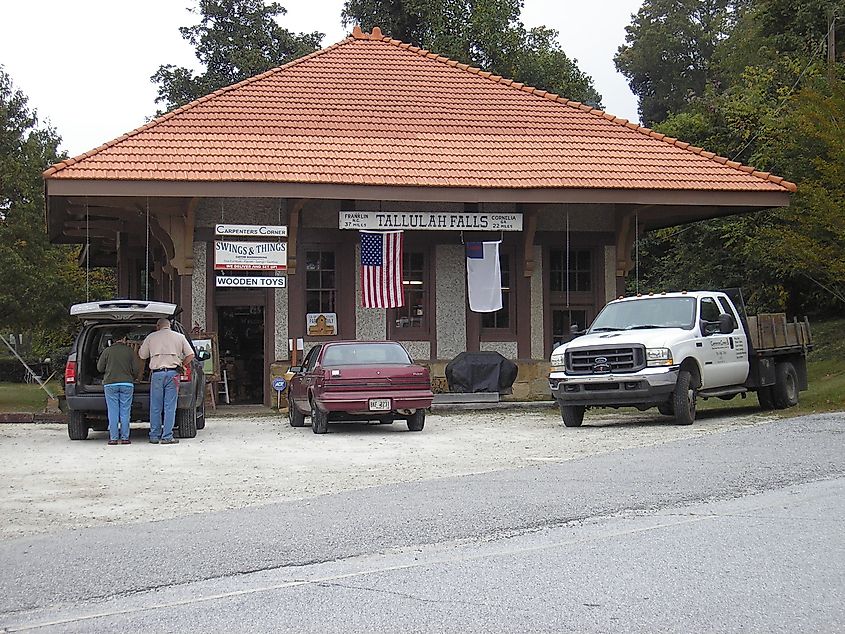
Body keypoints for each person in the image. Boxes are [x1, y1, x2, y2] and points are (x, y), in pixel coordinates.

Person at [139, 318, 195, 445]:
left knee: (155, 407)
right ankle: (167, 436)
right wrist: (181, 364)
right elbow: (191, 355)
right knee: (170, 406)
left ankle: (154, 436)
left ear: (158, 326)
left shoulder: (151, 337)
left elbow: (142, 355)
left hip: (157, 374)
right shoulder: (179, 337)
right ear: (169, 326)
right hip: (173, 374)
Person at [96, 328, 142, 445]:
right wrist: (133, 376)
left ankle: (113, 438)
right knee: (125, 411)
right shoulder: (130, 351)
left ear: (113, 339)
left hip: (110, 384)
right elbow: (136, 369)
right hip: (127, 384)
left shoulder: (107, 351)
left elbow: (99, 368)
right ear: (124, 338)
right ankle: (125, 438)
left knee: (113, 411)